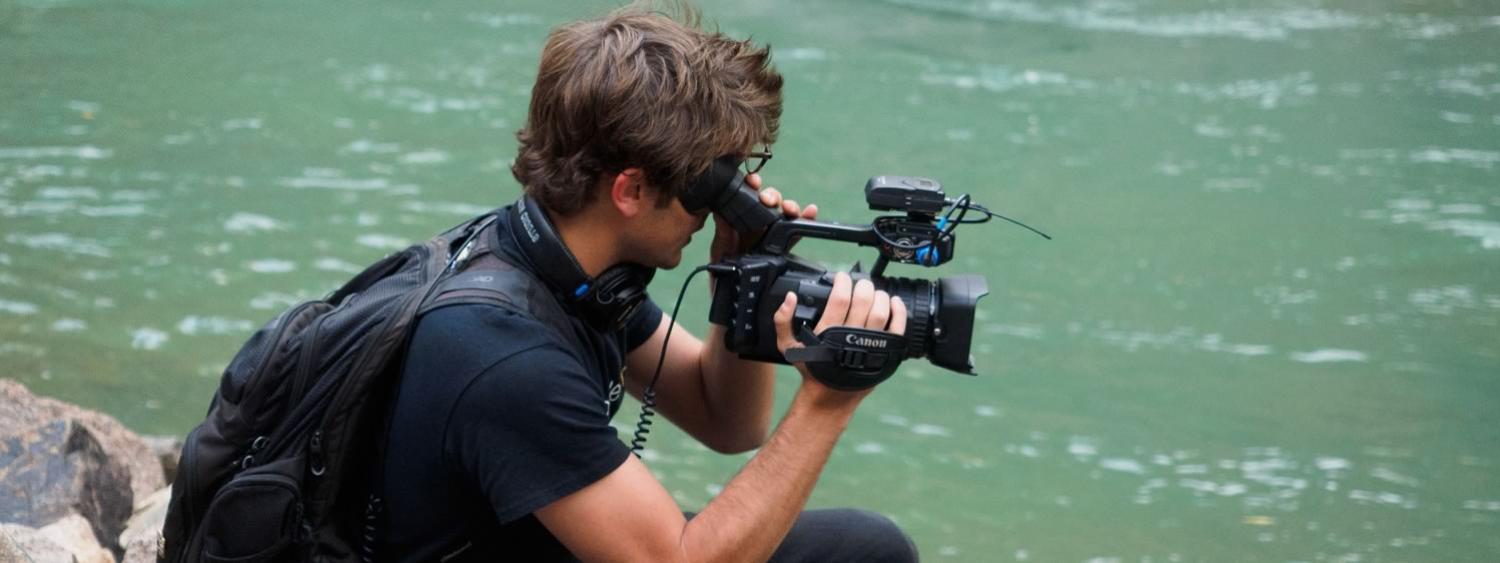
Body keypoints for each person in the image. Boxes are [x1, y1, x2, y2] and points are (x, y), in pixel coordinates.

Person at [377, 3, 919, 561]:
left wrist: (744, 282)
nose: (713, 210)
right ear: (630, 191)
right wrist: (829, 400)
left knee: (865, 545)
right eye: (708, 185)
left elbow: (727, 422)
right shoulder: (504, 353)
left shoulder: (568, 269)